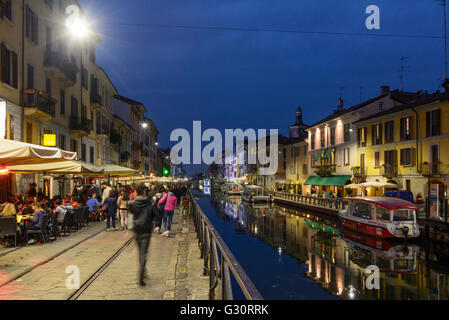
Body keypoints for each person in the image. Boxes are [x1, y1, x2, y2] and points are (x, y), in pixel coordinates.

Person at [128, 184, 156, 287]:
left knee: (140, 252)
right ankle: (141, 275)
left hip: (137, 230)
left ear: (136, 192)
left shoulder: (133, 204)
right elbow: (156, 215)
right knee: (143, 253)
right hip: (146, 230)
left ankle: (143, 271)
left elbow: (130, 216)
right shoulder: (150, 203)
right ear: (144, 191)